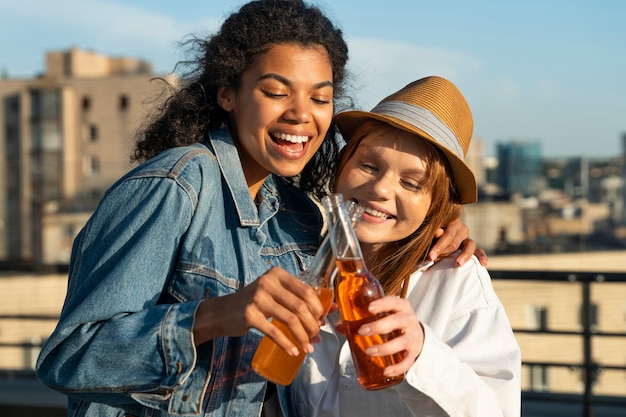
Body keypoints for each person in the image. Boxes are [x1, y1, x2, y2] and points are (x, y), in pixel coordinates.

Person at [35, 2, 479, 416]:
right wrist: (214, 315)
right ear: (228, 92)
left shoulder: (299, 218)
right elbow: (69, 358)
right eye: (276, 91)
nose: (301, 115)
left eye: (320, 98)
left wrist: (441, 225)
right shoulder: (176, 186)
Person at [290, 76, 521, 416]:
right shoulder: (289, 252)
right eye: (368, 165)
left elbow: (498, 409)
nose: (381, 189)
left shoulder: (455, 279)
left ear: (436, 204)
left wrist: (423, 355)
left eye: (411, 183)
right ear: (341, 166)